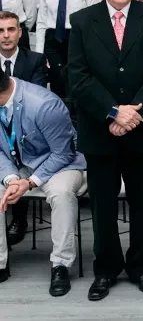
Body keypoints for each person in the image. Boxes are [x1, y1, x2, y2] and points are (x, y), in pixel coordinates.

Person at [67, 0, 143, 301]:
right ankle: (106, 269)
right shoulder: (82, 21)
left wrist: (133, 114)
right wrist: (113, 112)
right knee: (103, 205)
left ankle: (142, 267)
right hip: (100, 132)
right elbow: (78, 78)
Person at [0, 72, 87, 296]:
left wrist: (29, 183)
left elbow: (63, 153)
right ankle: (1, 263)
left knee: (61, 193)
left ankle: (61, 265)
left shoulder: (44, 105)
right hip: (16, 165)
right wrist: (11, 179)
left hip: (60, 164)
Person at [0, 11, 47, 247]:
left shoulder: (35, 60)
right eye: (0, 31)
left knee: (18, 149)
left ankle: (19, 219)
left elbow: (35, 98)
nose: (6, 36)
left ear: (20, 32)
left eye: (11, 29)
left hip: (27, 128)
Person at [35, 0, 99, 96]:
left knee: (76, 82)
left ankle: (76, 118)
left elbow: (94, 21)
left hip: (77, 39)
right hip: (53, 41)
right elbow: (41, 23)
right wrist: (39, 52)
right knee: (57, 83)